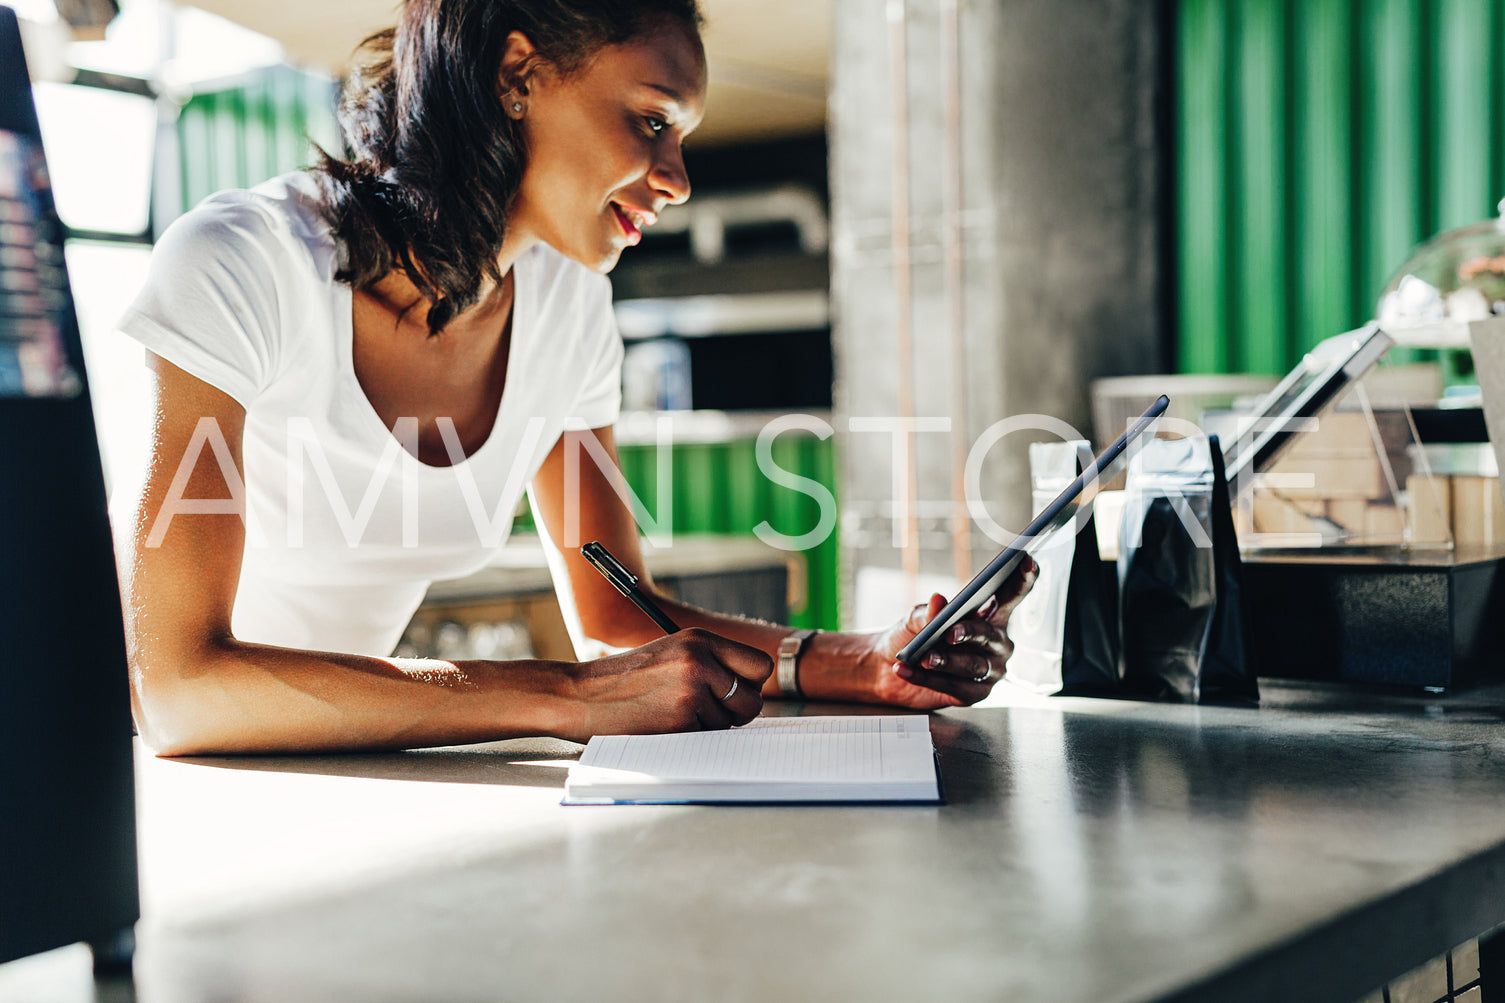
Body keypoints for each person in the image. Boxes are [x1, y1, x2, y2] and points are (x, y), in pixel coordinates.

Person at [117, 0, 1036, 756]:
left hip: (333, 773)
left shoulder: (567, 308)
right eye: (650, 121)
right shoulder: (241, 266)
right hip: (151, 793)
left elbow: (615, 614)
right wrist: (565, 695)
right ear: (517, 76)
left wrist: (866, 658)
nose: (675, 179)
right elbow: (180, 688)